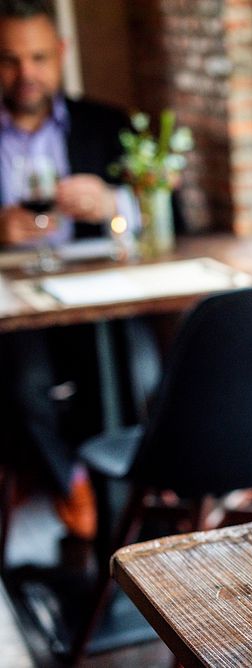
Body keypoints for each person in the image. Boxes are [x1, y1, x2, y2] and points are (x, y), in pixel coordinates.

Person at [0, 0, 142, 541]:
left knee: (139, 369)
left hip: (98, 295)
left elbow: (167, 218)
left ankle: (128, 500)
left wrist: (114, 204)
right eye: (10, 60)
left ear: (60, 54)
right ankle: (75, 484)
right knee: (25, 383)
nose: (26, 74)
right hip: (16, 307)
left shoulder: (105, 124)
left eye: (38, 57)